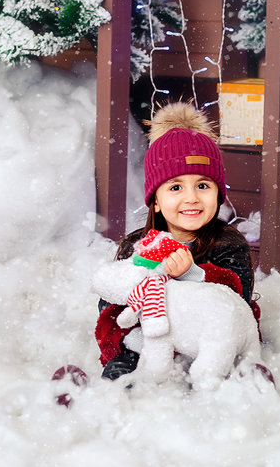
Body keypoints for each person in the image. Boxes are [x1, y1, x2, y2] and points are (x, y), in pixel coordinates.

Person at [95, 101, 260, 380]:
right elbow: (112, 300)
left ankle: (234, 380)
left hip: (206, 336)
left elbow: (237, 300)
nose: (192, 198)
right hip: (153, 335)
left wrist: (191, 275)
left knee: (229, 345)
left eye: (203, 186)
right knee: (127, 349)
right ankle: (122, 382)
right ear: (155, 201)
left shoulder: (228, 243)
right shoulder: (138, 245)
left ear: (218, 195)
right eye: (175, 187)